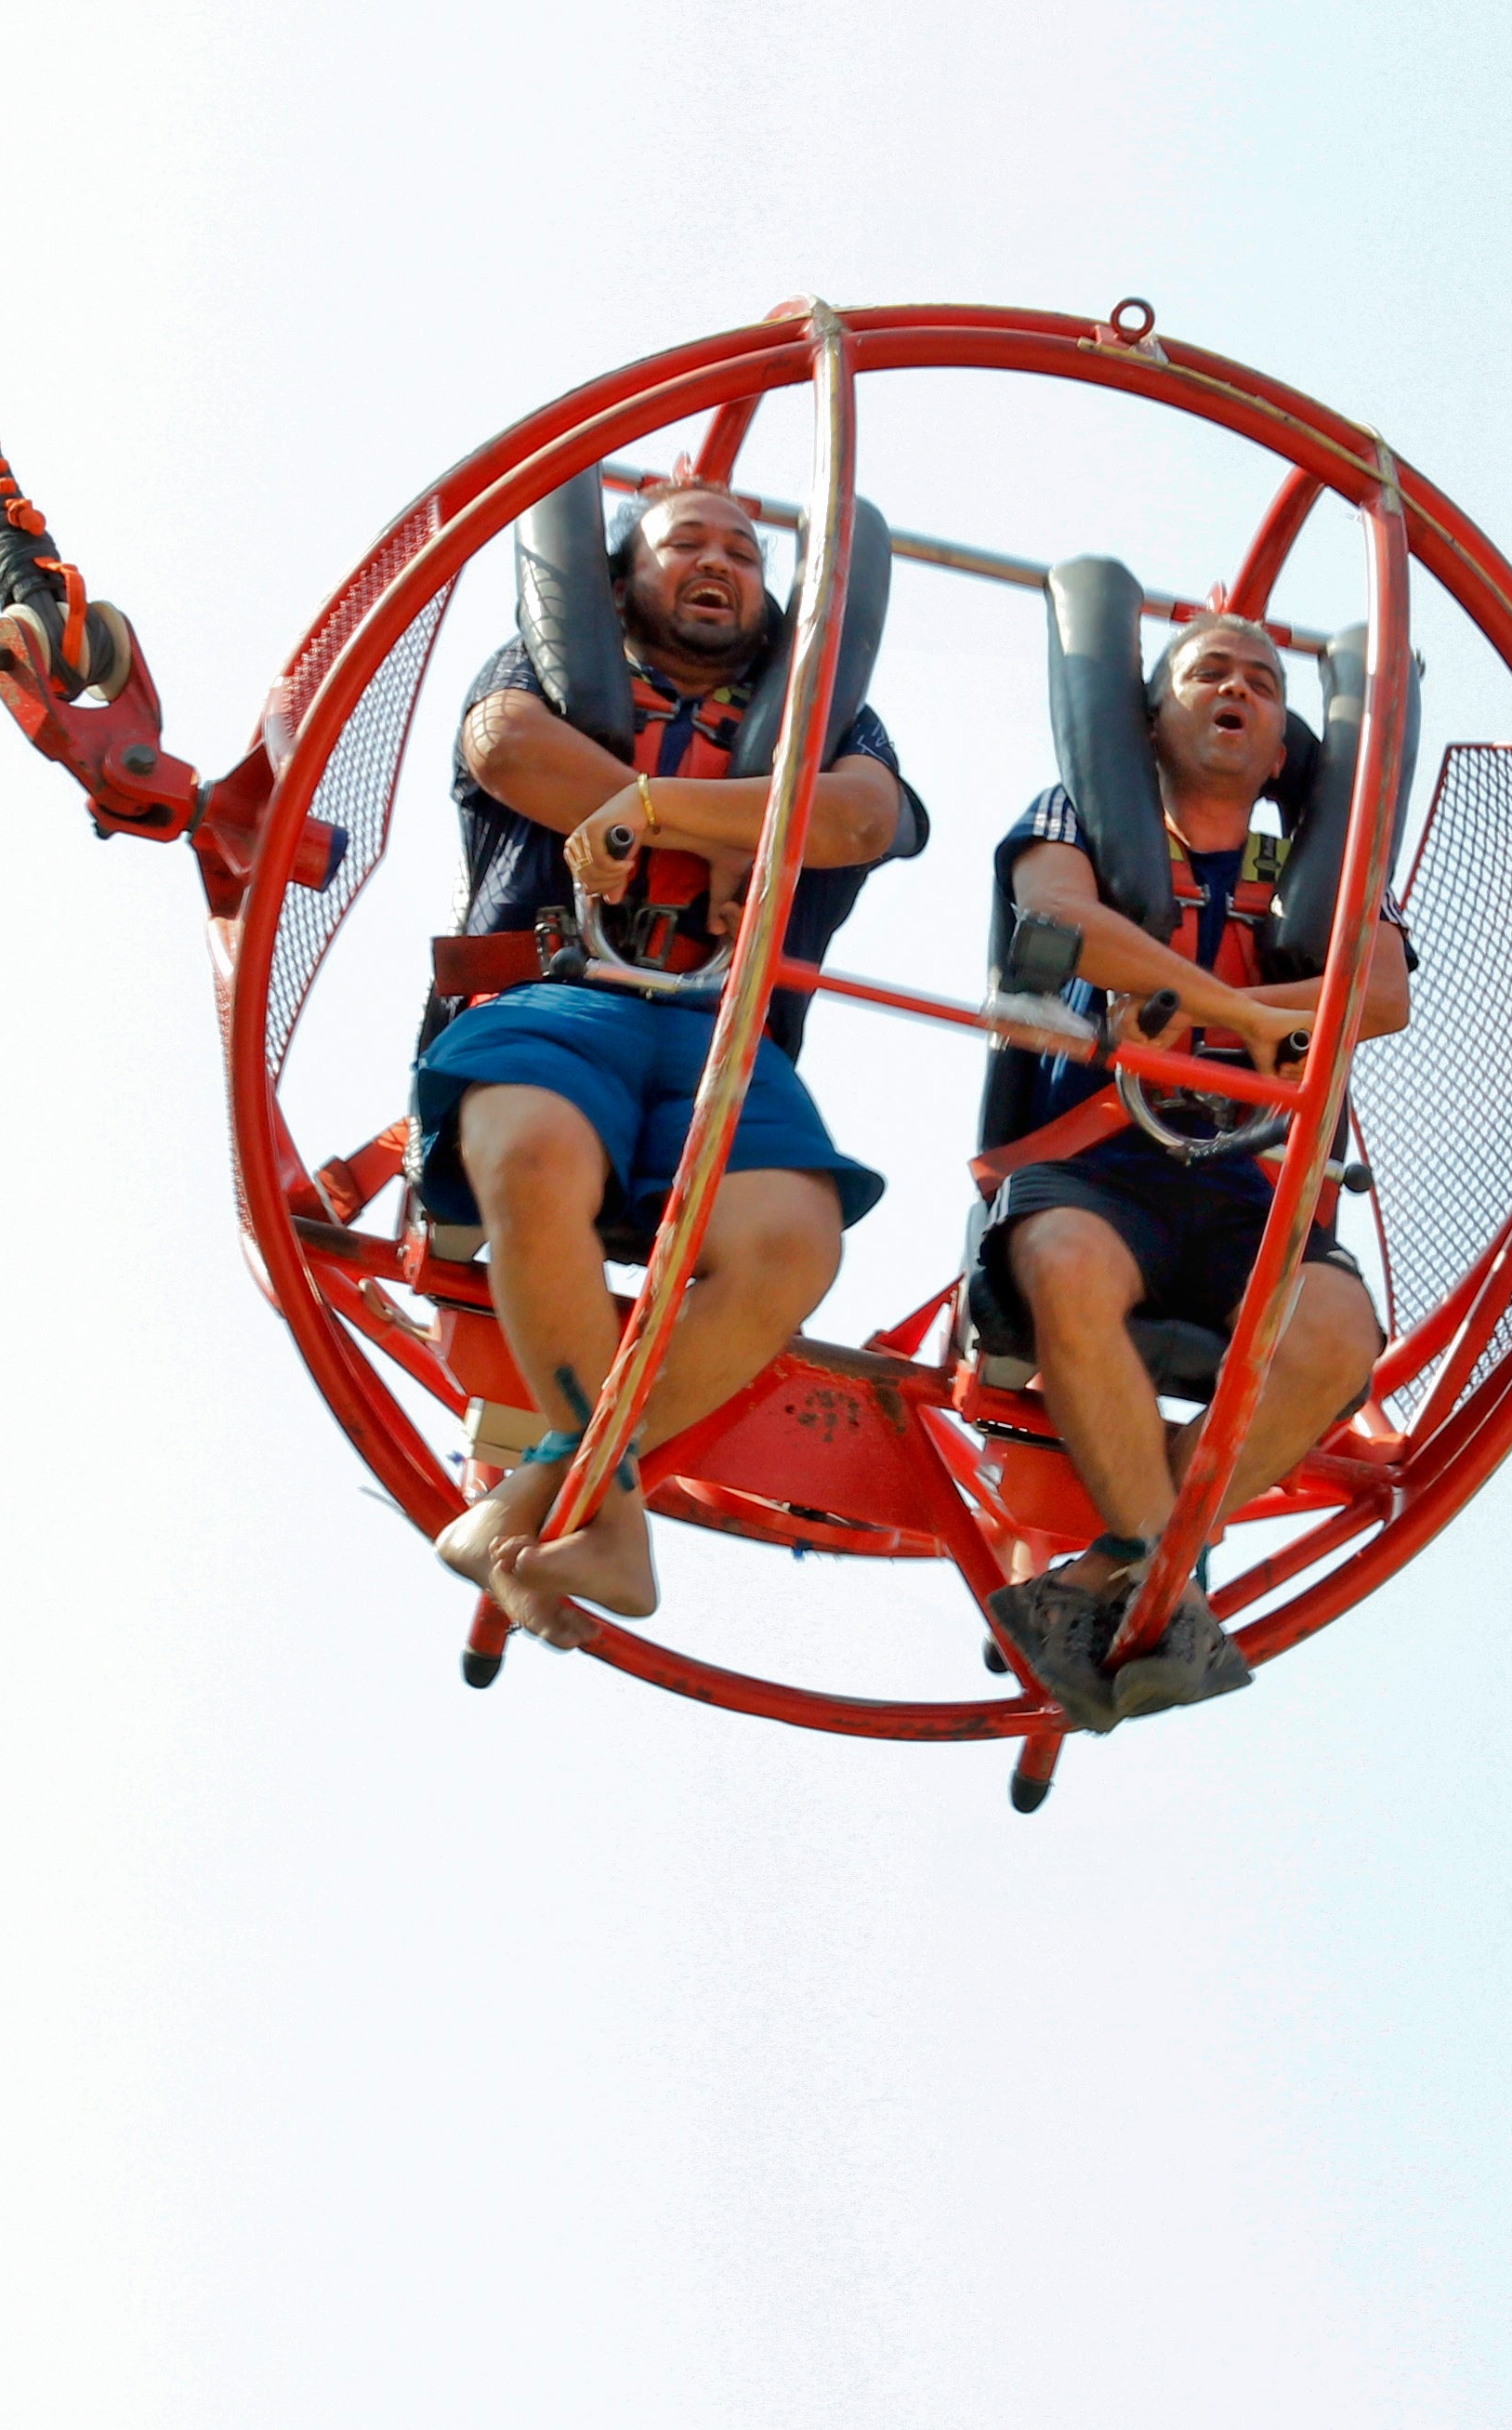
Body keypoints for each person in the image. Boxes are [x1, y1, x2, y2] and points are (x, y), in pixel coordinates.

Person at [418, 481, 924, 1646]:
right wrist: (724, 820)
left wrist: (655, 811)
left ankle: (558, 1490)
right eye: (684, 541)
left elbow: (855, 820)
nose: (718, 563)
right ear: (618, 578)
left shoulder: (825, 721)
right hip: (559, 997)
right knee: (533, 1153)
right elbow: (509, 754)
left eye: (743, 550)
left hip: (719, 1035)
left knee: (793, 1243)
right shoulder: (547, 672)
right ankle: (597, 1504)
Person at [975, 611, 1409, 1731]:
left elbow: (1381, 995)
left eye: (1263, 683)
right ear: (1151, 721)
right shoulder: (1080, 819)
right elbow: (1060, 919)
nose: (1237, 689)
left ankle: (1124, 1562)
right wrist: (1240, 1014)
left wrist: (1225, 1015)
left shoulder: (1313, 870)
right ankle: (1163, 1567)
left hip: (1244, 1188)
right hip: (1096, 1166)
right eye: (1207, 672)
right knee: (1063, 1261)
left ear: (1282, 751)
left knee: (1334, 1335)